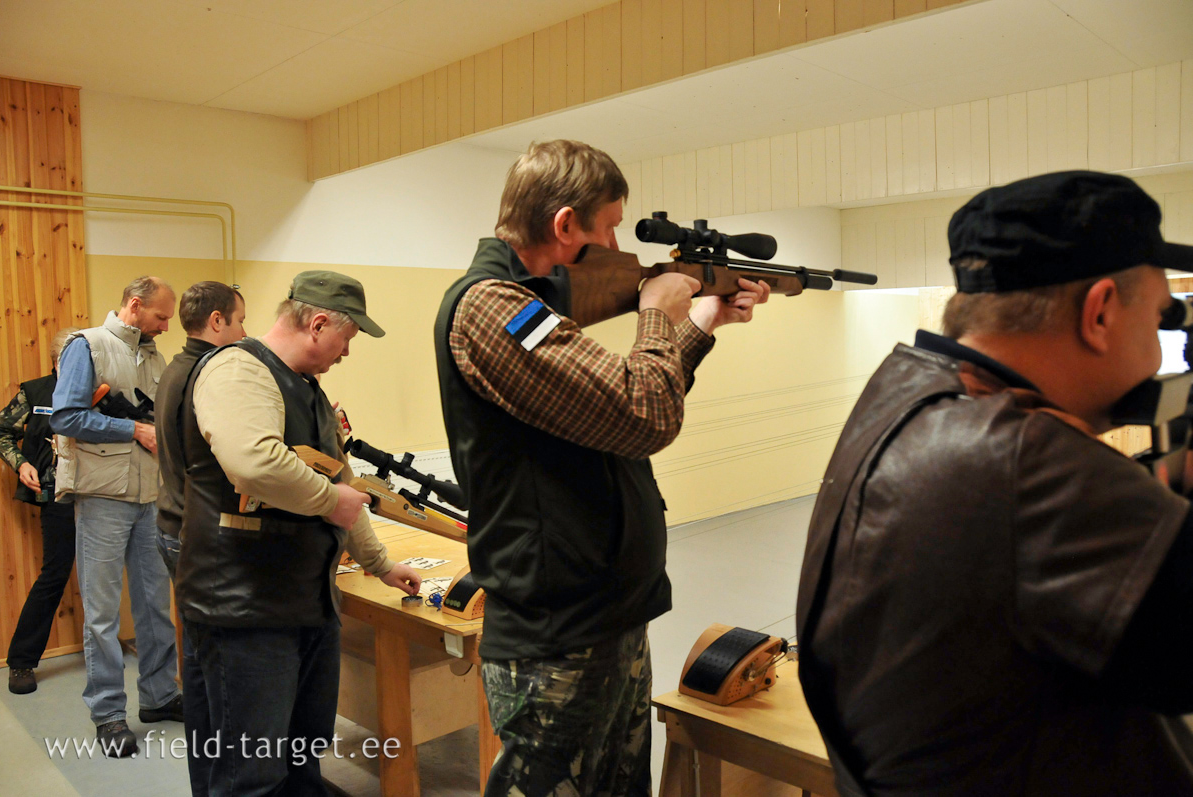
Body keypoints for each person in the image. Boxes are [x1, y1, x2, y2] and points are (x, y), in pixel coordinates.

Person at [795, 170, 1193, 796]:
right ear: (1101, 312)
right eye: (1163, 318)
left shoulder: (907, 389)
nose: (1162, 342)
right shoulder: (1028, 458)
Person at [434, 139, 770, 795]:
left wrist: (699, 322)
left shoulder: (530, 306)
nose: (620, 241)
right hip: (555, 633)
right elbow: (644, 415)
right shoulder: (492, 308)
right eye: (611, 225)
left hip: (601, 616)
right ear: (565, 225)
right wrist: (656, 312)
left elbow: (613, 414)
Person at [176, 270, 422, 795]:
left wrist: (380, 564)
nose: (347, 353)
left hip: (303, 605)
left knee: (301, 759)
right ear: (316, 323)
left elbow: (344, 481)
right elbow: (254, 463)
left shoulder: (308, 390)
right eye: (348, 338)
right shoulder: (237, 369)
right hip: (243, 611)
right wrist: (333, 502)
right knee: (249, 774)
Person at [51, 276, 182, 758]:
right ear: (134, 305)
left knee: (154, 605)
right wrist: (133, 428)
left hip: (151, 495)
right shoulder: (86, 346)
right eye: (161, 317)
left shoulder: (155, 356)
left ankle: (160, 695)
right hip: (103, 496)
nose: (167, 326)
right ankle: (108, 713)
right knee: (103, 614)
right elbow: (65, 417)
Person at [153, 280, 245, 795]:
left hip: (170, 524)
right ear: (216, 322)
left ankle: (205, 782)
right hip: (194, 533)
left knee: (196, 662)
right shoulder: (208, 375)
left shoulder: (175, 367)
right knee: (217, 674)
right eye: (239, 320)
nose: (244, 332)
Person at [0, 328, 79, 695]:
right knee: (55, 573)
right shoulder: (35, 391)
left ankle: (103, 654)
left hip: (100, 496)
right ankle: (22, 661)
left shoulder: (101, 392)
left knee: (103, 577)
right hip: (56, 496)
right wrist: (21, 463)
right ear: (56, 361)